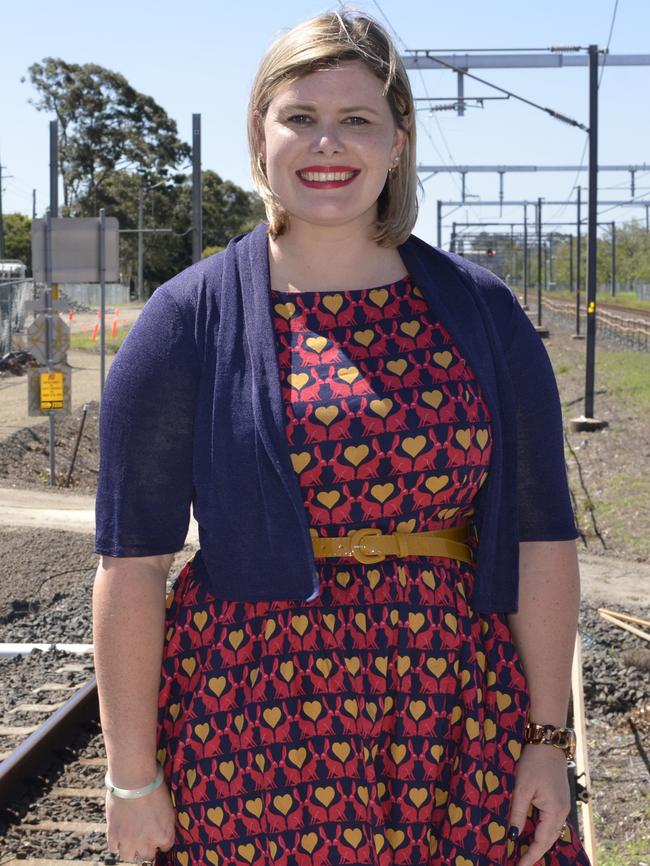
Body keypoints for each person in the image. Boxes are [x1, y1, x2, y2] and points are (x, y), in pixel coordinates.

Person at [93, 10, 592, 866]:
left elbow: (543, 535)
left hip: (456, 716)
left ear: (397, 142)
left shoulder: (480, 313)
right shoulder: (186, 320)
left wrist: (548, 734)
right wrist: (133, 780)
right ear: (261, 136)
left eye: (357, 119)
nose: (328, 142)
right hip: (251, 723)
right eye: (300, 117)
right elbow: (132, 567)